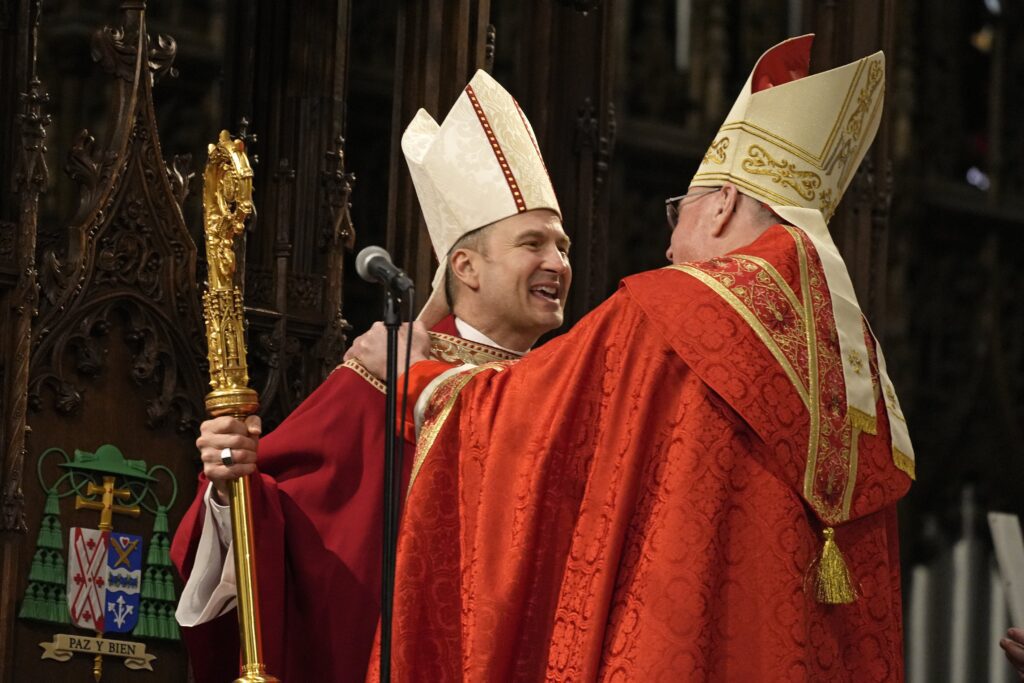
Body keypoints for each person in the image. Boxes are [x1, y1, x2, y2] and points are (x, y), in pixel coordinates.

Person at [361, 35, 915, 681]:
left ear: (724, 206)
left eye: (679, 213)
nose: (672, 245)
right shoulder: (859, 372)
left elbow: (522, 428)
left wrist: (413, 377)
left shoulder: (678, 312)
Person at [170, 69, 571, 682]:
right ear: (464, 265)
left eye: (563, 247)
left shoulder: (571, 383)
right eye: (534, 243)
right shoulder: (382, 378)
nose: (557, 263)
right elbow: (288, 525)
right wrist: (229, 491)